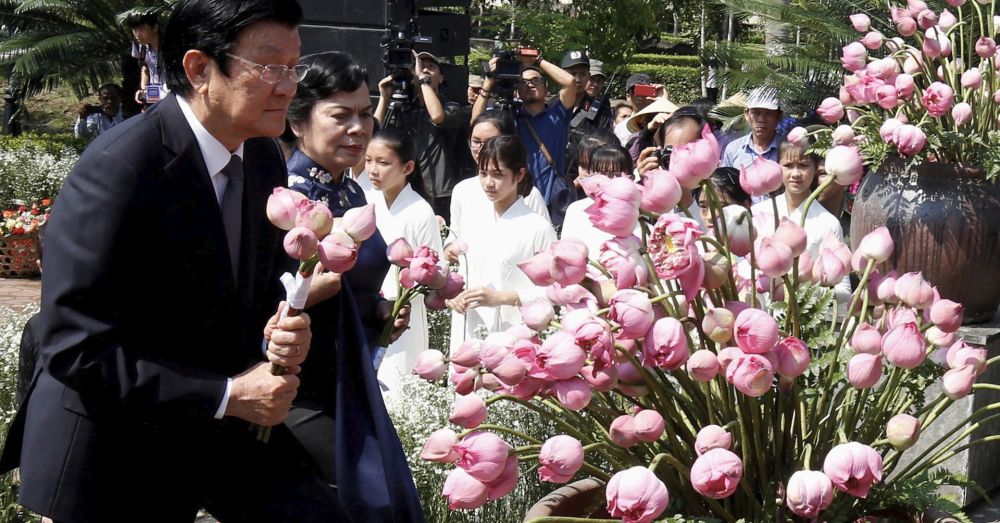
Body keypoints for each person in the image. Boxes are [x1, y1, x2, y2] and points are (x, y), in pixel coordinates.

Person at [0, 1, 353, 521]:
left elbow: (233, 290)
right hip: (112, 449)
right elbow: (75, 347)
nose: (288, 86)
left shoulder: (258, 155)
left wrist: (281, 324)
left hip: (210, 424)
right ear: (199, 69)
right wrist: (228, 394)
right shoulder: (120, 168)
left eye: (293, 67)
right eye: (269, 66)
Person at [284, 51, 423, 523]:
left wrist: (382, 308)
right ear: (299, 122)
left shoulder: (352, 193)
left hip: (350, 375)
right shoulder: (286, 200)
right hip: (300, 388)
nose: (359, 128)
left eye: (365, 114)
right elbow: (267, 301)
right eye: (341, 115)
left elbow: (357, 282)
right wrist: (311, 294)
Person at [448, 135, 556, 351]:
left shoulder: (537, 226)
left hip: (514, 331)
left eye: (498, 175)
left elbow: (556, 288)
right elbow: (463, 272)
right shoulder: (473, 219)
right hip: (469, 326)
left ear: (519, 174)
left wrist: (502, 298)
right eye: (483, 173)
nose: (488, 182)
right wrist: (454, 297)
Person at [363, 127, 442, 402]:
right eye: (369, 160)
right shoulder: (365, 200)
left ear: (408, 167)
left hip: (402, 313)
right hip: (367, 308)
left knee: (399, 392)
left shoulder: (420, 211)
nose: (373, 169)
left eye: (383, 163)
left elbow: (434, 270)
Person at [472, 51, 577, 226]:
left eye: (536, 81)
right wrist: (489, 81)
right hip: (515, 199)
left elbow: (570, 82)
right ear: (517, 90)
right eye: (523, 82)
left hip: (550, 201)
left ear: (546, 88)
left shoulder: (558, 114)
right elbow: (476, 121)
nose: (530, 85)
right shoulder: (509, 117)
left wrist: (538, 60)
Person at [376, 52, 470, 221]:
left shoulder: (452, 107)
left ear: (441, 78)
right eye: (419, 65)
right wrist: (384, 98)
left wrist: (422, 79)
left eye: (431, 67)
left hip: (438, 192)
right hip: (405, 188)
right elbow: (376, 134)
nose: (424, 69)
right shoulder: (403, 108)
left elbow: (437, 116)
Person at [447, 112, 549, 262]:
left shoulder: (530, 196)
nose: (482, 150)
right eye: (476, 141)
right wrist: (449, 249)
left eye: (490, 142)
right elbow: (455, 233)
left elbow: (545, 259)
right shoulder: (462, 190)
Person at [561, 143, 635, 258]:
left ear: (631, 179)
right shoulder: (575, 210)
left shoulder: (638, 215)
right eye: (598, 174)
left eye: (613, 175)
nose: (604, 182)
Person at [722, 87, 786, 203]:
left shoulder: (788, 149)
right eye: (756, 113)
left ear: (779, 116)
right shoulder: (733, 149)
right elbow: (724, 187)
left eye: (769, 114)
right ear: (746, 114)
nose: (761, 119)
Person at [127, 11, 165, 106]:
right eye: (134, 29)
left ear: (155, 27)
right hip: (156, 95)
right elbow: (145, 67)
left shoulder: (171, 47)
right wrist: (143, 90)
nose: (137, 34)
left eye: (141, 28)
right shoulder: (138, 45)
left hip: (174, 94)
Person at [613, 73, 661, 145]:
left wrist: (663, 100)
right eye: (637, 93)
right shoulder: (621, 128)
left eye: (645, 92)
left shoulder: (661, 121)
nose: (641, 98)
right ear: (628, 97)